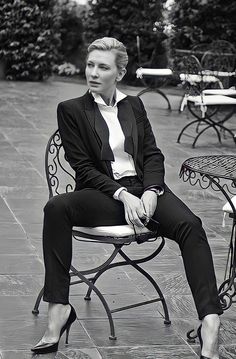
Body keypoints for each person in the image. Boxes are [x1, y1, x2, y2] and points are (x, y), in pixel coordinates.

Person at [31, 37, 223, 358]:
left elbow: (152, 155)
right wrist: (122, 195)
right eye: (90, 64)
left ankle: (210, 322)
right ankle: (59, 309)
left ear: (119, 74)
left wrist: (150, 190)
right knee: (56, 208)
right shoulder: (71, 110)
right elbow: (83, 167)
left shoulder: (134, 105)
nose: (93, 72)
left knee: (192, 225)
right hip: (103, 194)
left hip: (144, 191)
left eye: (102, 67)